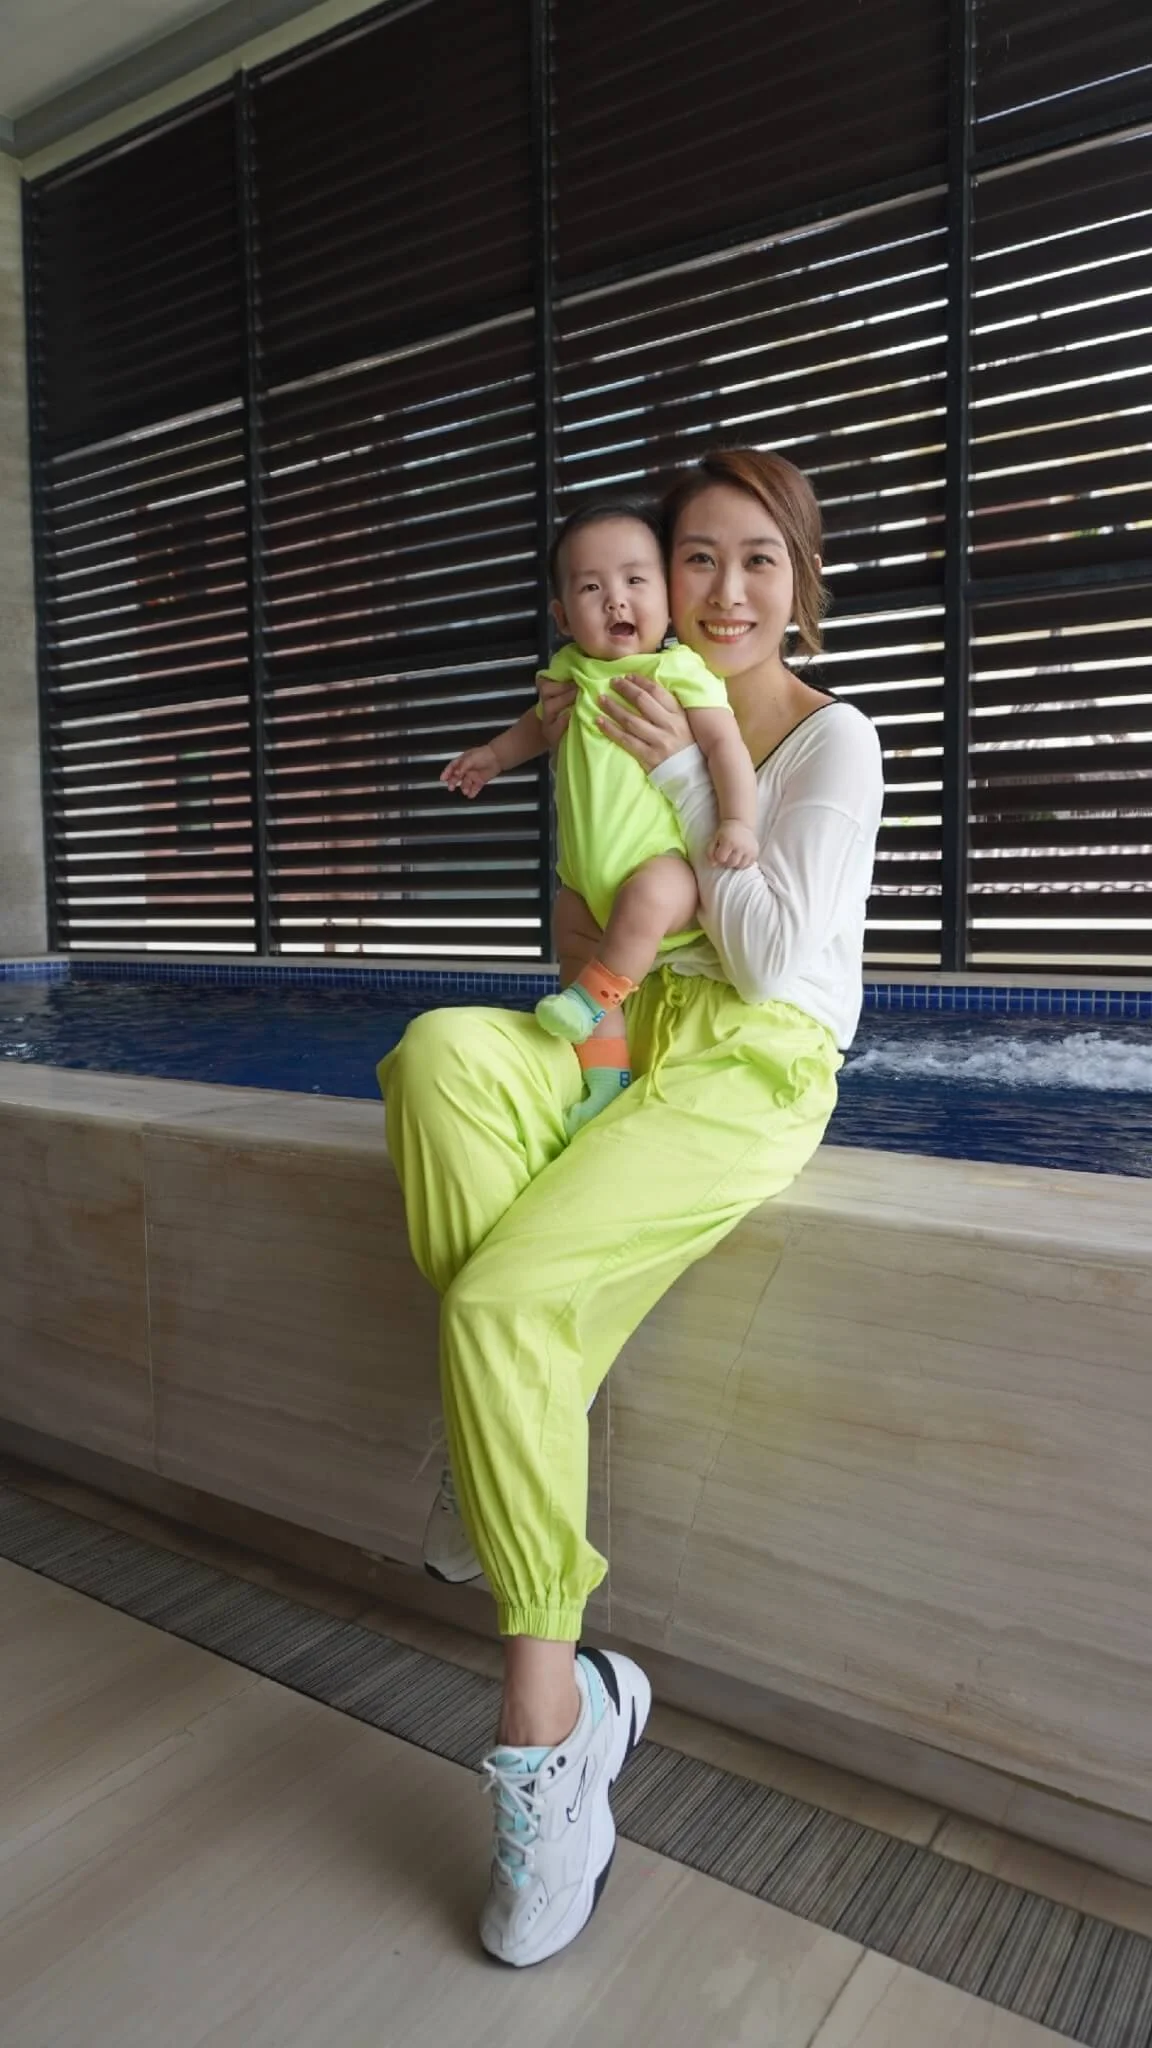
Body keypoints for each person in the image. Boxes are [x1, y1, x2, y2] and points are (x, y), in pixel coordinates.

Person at [378, 448, 884, 1970]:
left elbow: (777, 960)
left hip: (749, 1065)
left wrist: (677, 776)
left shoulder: (831, 738)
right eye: (696, 559)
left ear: (799, 580)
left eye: (757, 560)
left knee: (499, 1304)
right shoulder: (618, 689)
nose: (725, 591)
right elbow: (591, 918)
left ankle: (555, 1724)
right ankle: (501, 1429)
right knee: (439, 1054)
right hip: (623, 1032)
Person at [441, 502, 760, 1132]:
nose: (616, 599)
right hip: (584, 878)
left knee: (647, 897)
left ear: (667, 599)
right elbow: (536, 727)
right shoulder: (568, 674)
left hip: (662, 868)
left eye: (635, 580)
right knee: (572, 935)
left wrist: (738, 822)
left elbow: (727, 748)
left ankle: (594, 999)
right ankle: (606, 1081)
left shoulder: (677, 670)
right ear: (563, 617)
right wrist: (493, 757)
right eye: (592, 588)